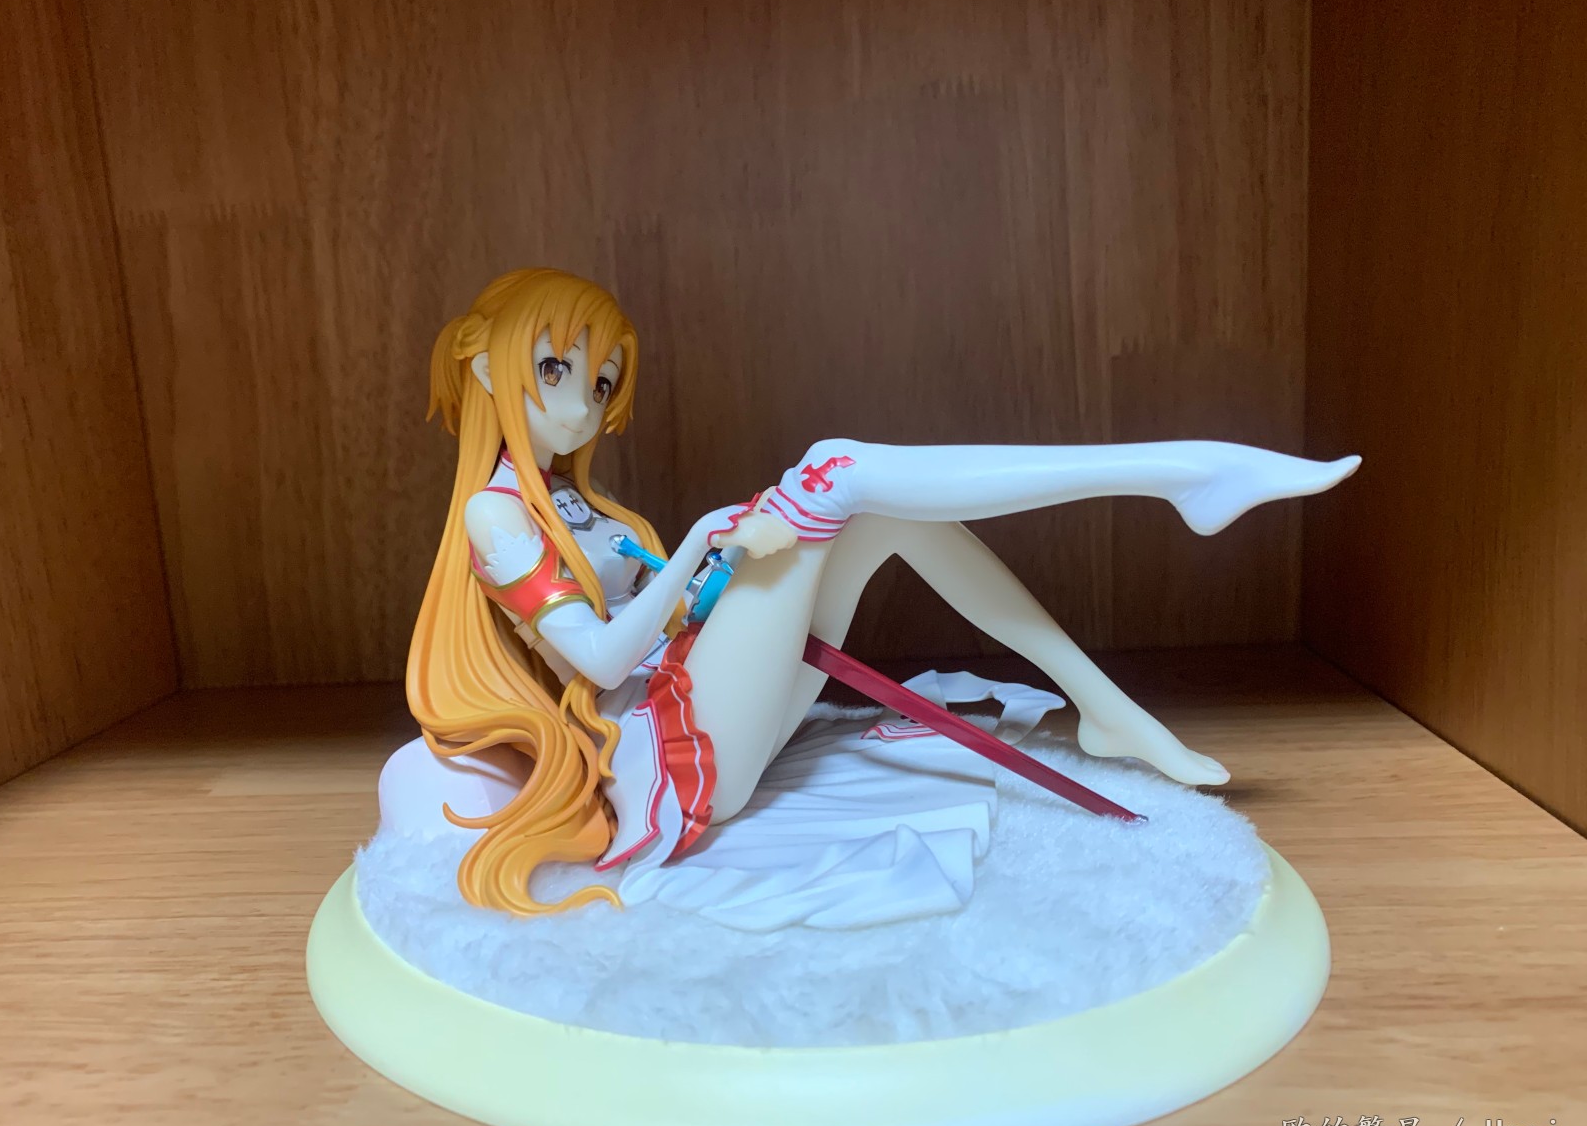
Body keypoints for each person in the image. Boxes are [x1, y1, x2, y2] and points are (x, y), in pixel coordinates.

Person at [390, 268, 1358, 917]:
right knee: (837, 468)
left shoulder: (581, 505)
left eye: (599, 383)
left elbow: (674, 617)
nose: (581, 405)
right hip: (665, 756)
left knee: (881, 510)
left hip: (709, 696)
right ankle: (1181, 471)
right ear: (483, 366)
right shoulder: (494, 516)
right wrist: (697, 545)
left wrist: (719, 563)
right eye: (553, 370)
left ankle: (1108, 709)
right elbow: (601, 661)